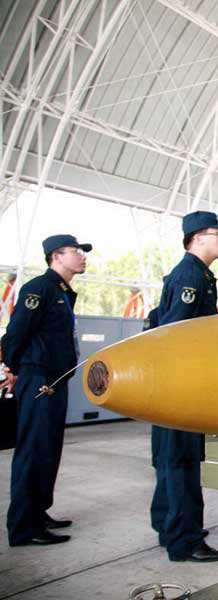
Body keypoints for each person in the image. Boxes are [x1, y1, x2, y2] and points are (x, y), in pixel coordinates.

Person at [151, 211, 218, 563]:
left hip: (177, 382)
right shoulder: (190, 276)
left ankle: (170, 527)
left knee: (173, 459)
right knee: (181, 460)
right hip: (181, 384)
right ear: (198, 238)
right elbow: (174, 334)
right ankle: (185, 540)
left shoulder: (198, 275)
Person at [2, 234, 90, 546]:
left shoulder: (60, 291)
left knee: (48, 451)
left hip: (54, 380)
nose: (82, 257)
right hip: (38, 377)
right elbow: (15, 332)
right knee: (34, 450)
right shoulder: (38, 288)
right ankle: (24, 527)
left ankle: (38, 512)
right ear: (56, 256)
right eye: (76, 252)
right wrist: (12, 369)